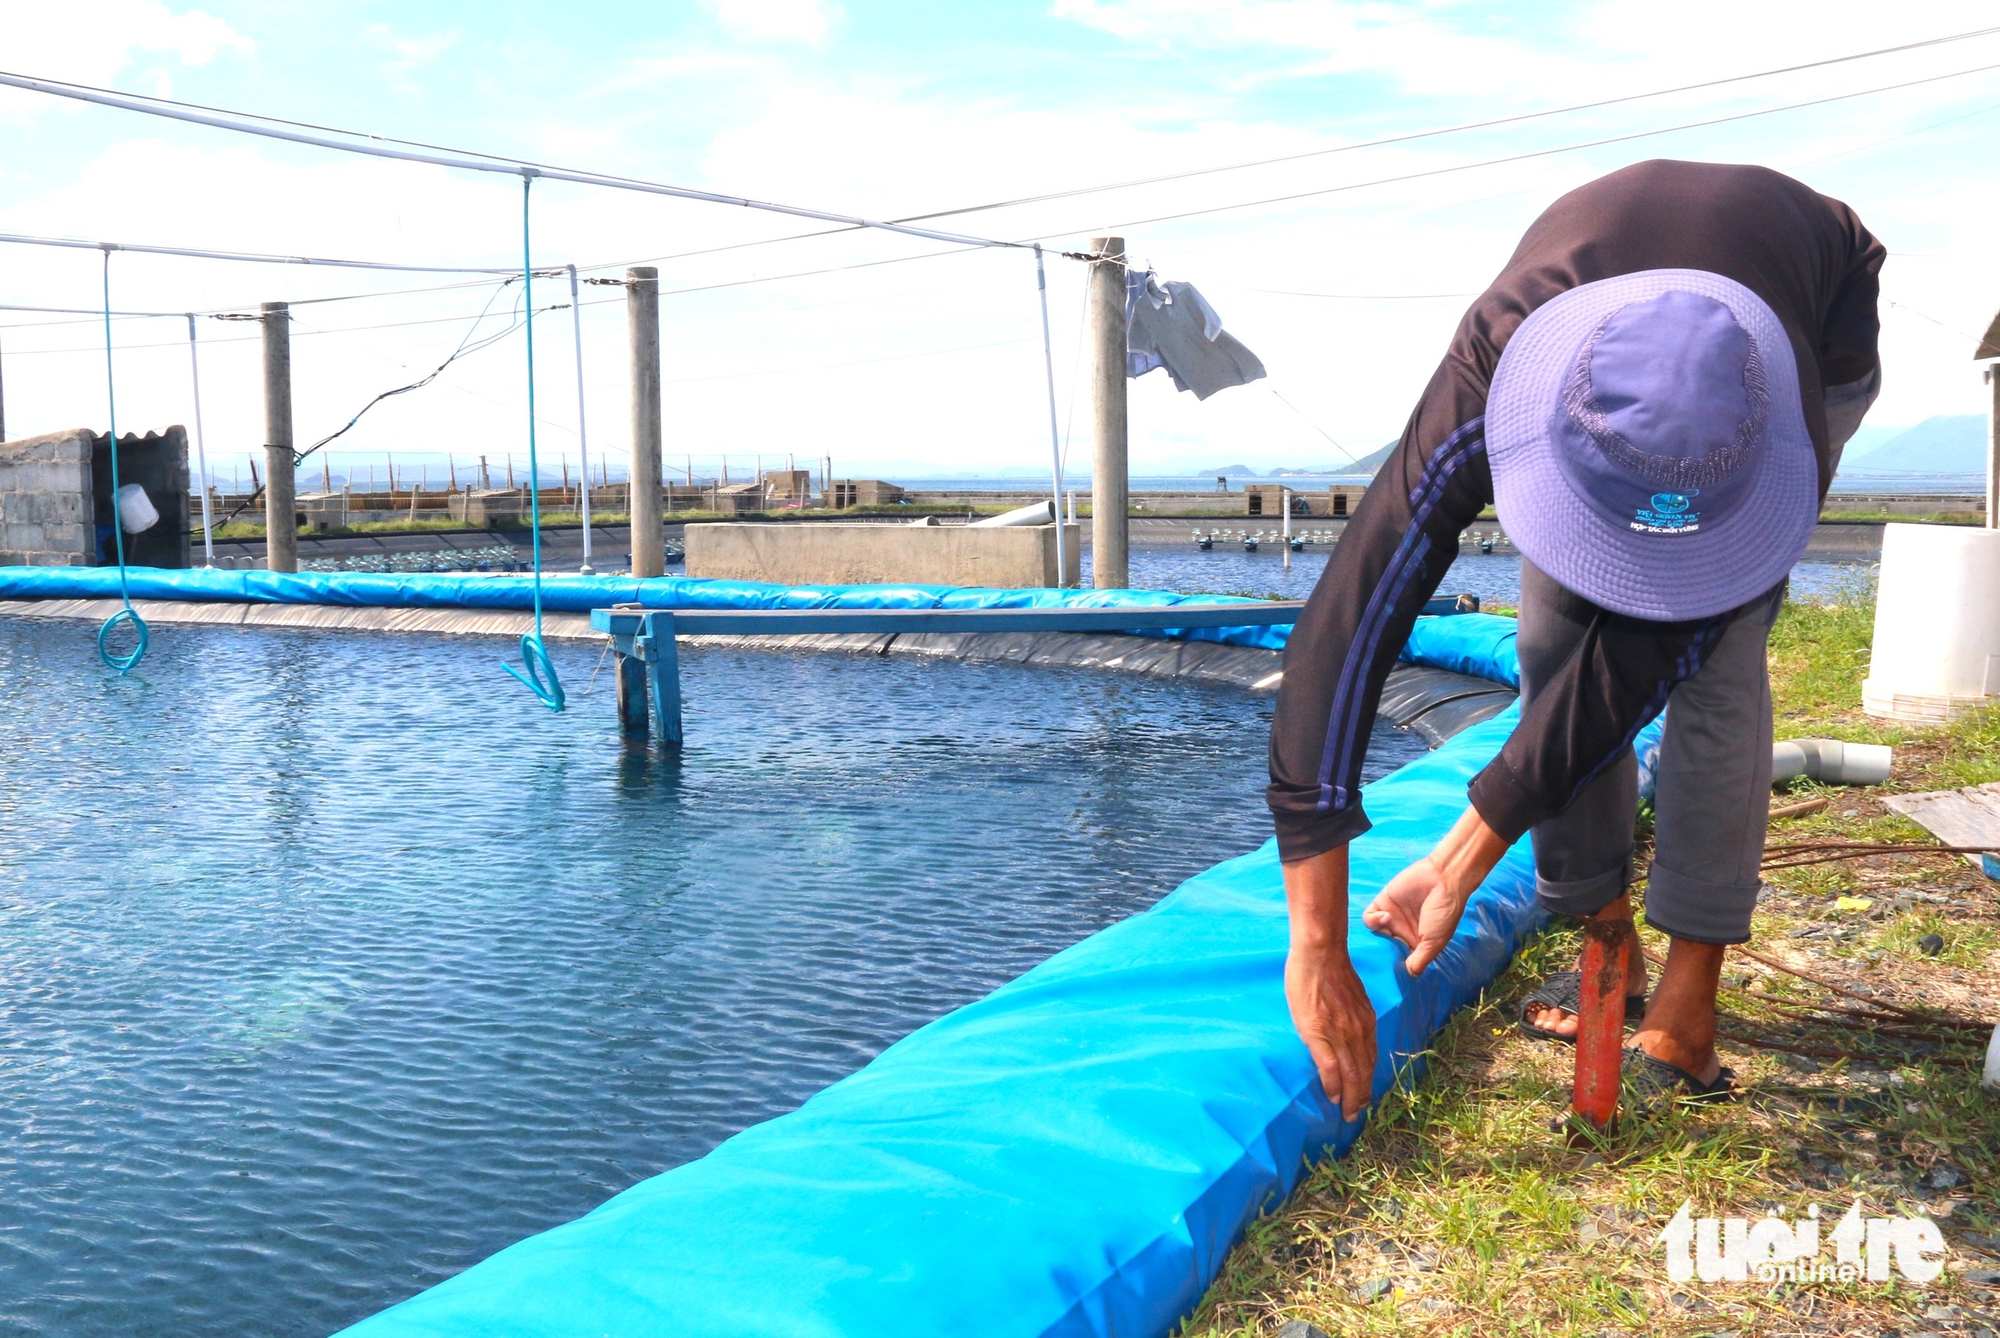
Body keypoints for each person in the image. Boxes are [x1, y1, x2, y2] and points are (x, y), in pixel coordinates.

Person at [1267, 159, 1883, 1121]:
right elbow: (1348, 622)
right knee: (1553, 634)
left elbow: (1654, 652)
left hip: (1808, 320)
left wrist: (1466, 852)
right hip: (1588, 352)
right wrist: (1315, 939)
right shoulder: (1493, 368)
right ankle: (1604, 931)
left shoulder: (1782, 416)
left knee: (1714, 660)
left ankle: (1690, 997)